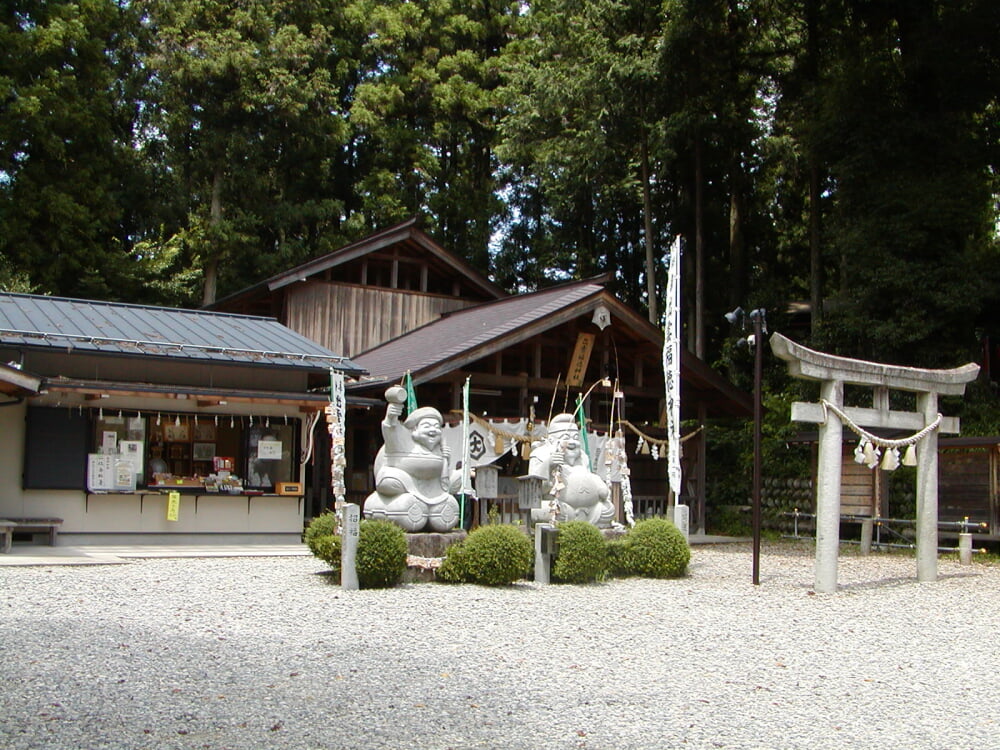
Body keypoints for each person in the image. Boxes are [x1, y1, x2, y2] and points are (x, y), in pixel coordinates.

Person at [363, 386, 460, 532]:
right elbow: (391, 428)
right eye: (427, 426)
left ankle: (434, 510)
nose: (433, 430)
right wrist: (392, 415)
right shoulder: (403, 438)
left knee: (458, 477)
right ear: (414, 430)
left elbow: (445, 477)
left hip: (433, 485)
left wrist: (446, 458)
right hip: (406, 483)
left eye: (436, 427)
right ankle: (402, 507)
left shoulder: (439, 448)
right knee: (390, 480)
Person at [528, 413, 614, 526]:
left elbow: (589, 476)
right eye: (566, 438)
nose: (572, 442)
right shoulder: (540, 454)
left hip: (590, 509)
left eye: (575, 438)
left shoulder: (582, 457)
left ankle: (584, 519)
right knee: (545, 510)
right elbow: (535, 490)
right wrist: (548, 464)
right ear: (553, 440)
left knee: (608, 509)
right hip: (561, 507)